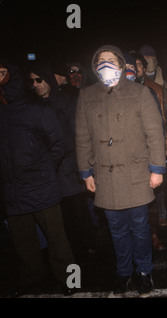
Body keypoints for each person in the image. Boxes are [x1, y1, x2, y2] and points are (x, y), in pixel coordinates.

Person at [75, 45, 166, 298]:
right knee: (116, 229)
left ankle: (145, 272)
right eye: (100, 60)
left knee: (139, 227)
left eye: (110, 60)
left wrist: (157, 169)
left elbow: (155, 134)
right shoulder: (87, 95)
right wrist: (86, 172)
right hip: (105, 176)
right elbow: (82, 137)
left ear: (120, 63)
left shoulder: (139, 93)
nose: (105, 63)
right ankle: (124, 272)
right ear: (95, 66)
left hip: (136, 173)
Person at [0, 60, 76, 296]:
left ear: (13, 75)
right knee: (23, 243)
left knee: (57, 240)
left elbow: (58, 144)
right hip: (12, 189)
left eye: (2, 73)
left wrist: (43, 170)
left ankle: (68, 280)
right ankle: (33, 279)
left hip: (41, 186)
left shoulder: (39, 109)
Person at [28, 62, 96, 262]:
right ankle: (73, 250)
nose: (36, 85)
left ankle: (88, 246)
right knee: (60, 214)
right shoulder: (34, 106)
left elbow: (79, 134)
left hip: (69, 165)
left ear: (48, 79)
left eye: (39, 80)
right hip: (48, 169)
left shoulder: (68, 101)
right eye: (32, 81)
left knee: (78, 209)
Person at [126, 51, 167, 251]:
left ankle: (152, 236)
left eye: (134, 68)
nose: (130, 72)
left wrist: (156, 162)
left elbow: (156, 128)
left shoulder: (149, 92)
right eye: (126, 68)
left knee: (147, 202)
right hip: (123, 159)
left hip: (144, 157)